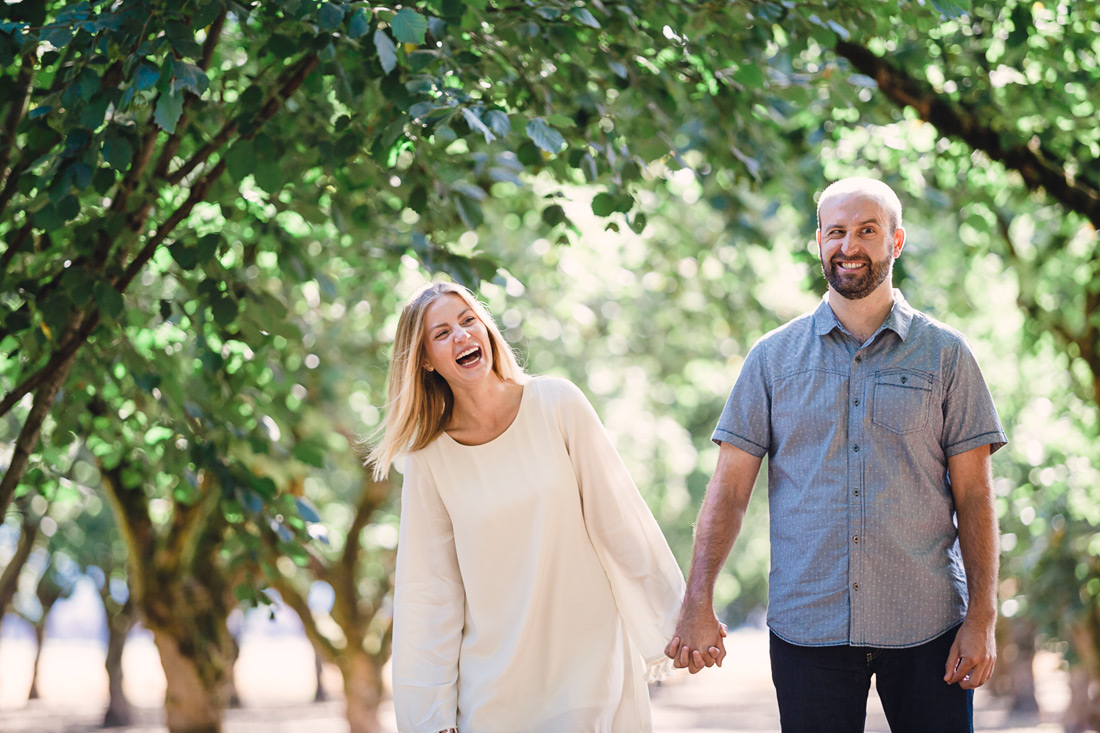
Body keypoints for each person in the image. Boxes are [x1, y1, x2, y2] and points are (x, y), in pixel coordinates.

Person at [666, 177, 1007, 732]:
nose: (850, 246)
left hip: (927, 626)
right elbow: (729, 491)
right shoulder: (771, 359)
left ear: (895, 242)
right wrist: (697, 600)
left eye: (867, 231)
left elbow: (974, 496)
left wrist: (982, 617)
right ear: (818, 241)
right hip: (807, 626)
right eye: (837, 232)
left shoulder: (946, 356)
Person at [369, 281, 686, 733]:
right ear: (424, 360)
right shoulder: (429, 459)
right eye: (441, 334)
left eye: (467, 321)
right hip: (494, 692)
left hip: (587, 669)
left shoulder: (558, 404)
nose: (461, 336)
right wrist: (429, 718)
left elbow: (620, 523)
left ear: (485, 329)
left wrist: (680, 621)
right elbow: (430, 590)